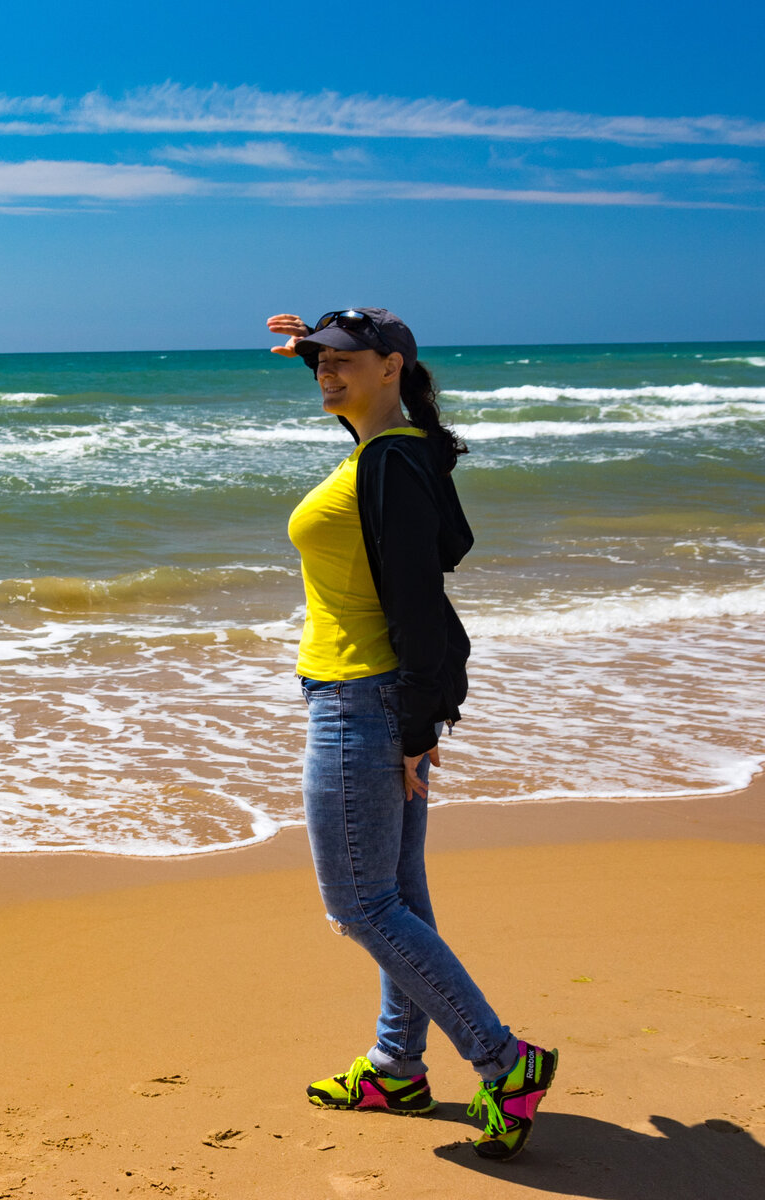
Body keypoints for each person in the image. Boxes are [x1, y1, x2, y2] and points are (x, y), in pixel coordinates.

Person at [268, 307, 556, 1162]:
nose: (324, 371)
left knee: (361, 905)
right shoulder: (392, 444)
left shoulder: (388, 461)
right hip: (376, 695)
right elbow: (360, 390)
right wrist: (314, 350)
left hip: (362, 699)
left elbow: (418, 600)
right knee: (397, 892)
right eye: (316, 359)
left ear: (391, 366)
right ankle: (397, 1066)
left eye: (342, 360)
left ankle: (505, 1062)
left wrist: (417, 723)